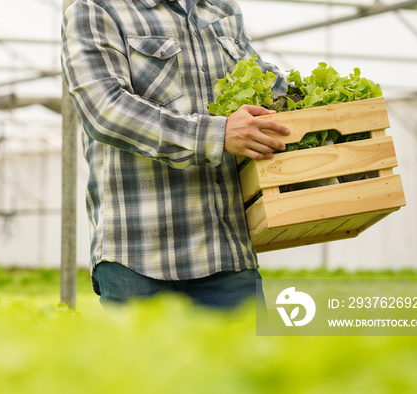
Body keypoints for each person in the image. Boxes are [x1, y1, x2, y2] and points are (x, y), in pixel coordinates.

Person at [61, 0, 290, 309]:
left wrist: (323, 102)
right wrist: (218, 134)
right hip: (139, 254)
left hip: (226, 251)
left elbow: (263, 82)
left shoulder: (220, 9)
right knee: (142, 359)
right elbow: (106, 110)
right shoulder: (97, 10)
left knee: (248, 358)